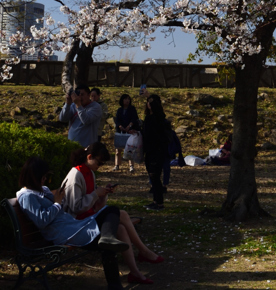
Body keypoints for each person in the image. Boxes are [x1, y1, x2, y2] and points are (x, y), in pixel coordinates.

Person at [15, 156, 128, 290]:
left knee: (112, 211)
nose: (45, 180)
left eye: (46, 177)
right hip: (64, 233)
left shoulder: (42, 190)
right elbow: (41, 221)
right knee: (108, 241)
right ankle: (114, 282)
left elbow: (58, 205)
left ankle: (108, 239)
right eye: (43, 177)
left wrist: (59, 197)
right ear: (33, 177)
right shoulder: (27, 197)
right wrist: (57, 203)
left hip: (72, 226)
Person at [60, 142, 163, 285]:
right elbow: (76, 208)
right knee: (116, 212)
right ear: (89, 157)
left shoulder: (89, 172)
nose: (100, 166)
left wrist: (102, 195)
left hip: (87, 220)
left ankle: (135, 271)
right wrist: (96, 194)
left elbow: (95, 207)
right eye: (99, 163)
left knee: (120, 227)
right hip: (77, 226)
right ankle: (142, 252)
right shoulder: (76, 175)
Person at [141, 94, 171, 211]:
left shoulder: (151, 119)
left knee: (154, 176)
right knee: (155, 176)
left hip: (152, 150)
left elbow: (147, 134)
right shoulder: (161, 119)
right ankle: (156, 200)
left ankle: (159, 202)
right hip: (159, 150)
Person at [113, 93, 140, 173]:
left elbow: (134, 118)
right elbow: (117, 120)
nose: (127, 101)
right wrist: (120, 126)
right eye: (125, 99)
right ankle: (117, 165)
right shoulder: (119, 110)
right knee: (118, 149)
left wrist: (129, 126)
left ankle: (131, 166)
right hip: (120, 131)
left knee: (130, 148)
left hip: (130, 131)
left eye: (128, 99)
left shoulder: (132, 109)